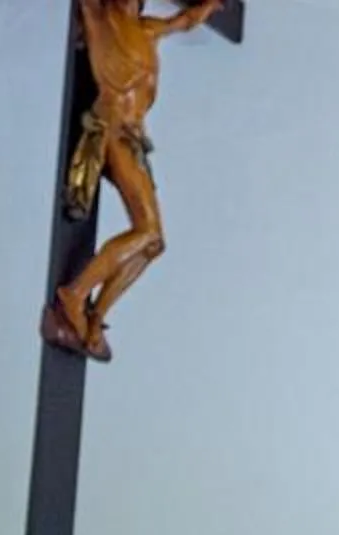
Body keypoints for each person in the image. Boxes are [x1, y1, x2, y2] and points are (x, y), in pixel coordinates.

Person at [43, 0, 227, 361]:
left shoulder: (146, 30)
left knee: (154, 243)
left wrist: (210, 6)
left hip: (135, 139)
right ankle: (74, 295)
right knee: (145, 229)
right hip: (111, 133)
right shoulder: (99, 16)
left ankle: (96, 317)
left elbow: (184, 20)